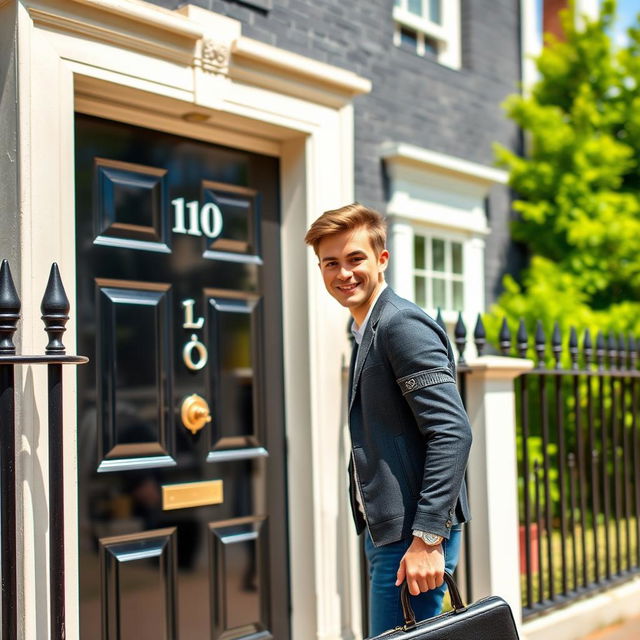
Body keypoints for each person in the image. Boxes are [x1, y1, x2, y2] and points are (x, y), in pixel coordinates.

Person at [304, 203, 472, 635]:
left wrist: (427, 539)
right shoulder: (365, 329)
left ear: (381, 259)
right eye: (331, 263)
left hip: (412, 537)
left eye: (355, 259)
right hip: (391, 534)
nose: (344, 274)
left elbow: (452, 432)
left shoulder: (401, 326)